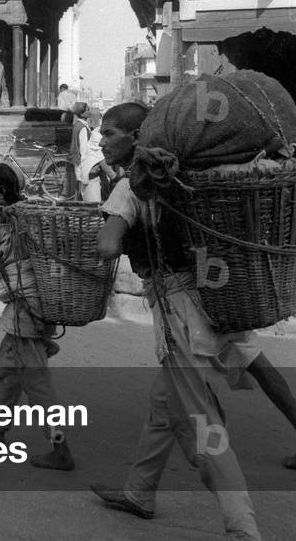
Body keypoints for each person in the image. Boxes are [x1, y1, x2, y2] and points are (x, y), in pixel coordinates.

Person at [91, 101, 296, 539]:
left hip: (179, 313)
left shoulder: (130, 187)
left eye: (109, 133)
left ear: (135, 137)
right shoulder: (182, 177)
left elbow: (107, 247)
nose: (101, 140)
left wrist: (109, 233)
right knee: (165, 405)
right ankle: (139, 492)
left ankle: (242, 524)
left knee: (202, 423)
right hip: (217, 295)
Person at [0, 158, 74, 472]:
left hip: (26, 309)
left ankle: (60, 448)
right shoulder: (32, 211)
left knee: (37, 384)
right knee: (8, 371)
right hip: (41, 304)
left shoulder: (1, 223)